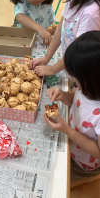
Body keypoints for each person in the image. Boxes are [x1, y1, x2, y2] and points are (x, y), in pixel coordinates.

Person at [44, 31, 100, 186]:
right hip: (71, 143)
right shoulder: (87, 87)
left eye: (76, 78)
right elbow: (75, 95)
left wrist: (67, 131)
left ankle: (90, 178)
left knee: (59, 183)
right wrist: (63, 95)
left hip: (83, 161)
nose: (74, 81)